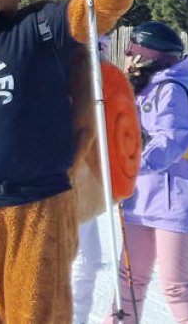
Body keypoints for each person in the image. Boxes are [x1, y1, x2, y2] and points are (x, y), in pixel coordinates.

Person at [104, 21, 188, 324]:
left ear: (147, 56)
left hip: (174, 202)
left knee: (176, 286)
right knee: (129, 281)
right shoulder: (138, 90)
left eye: (131, 51)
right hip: (139, 201)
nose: (126, 57)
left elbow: (171, 138)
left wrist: (131, 166)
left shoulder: (168, 90)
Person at [72, 34, 113, 324]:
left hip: (90, 181)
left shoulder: (103, 80)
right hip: (65, 180)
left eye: (101, 48)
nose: (98, 54)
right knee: (71, 260)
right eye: (94, 47)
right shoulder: (62, 76)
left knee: (89, 260)